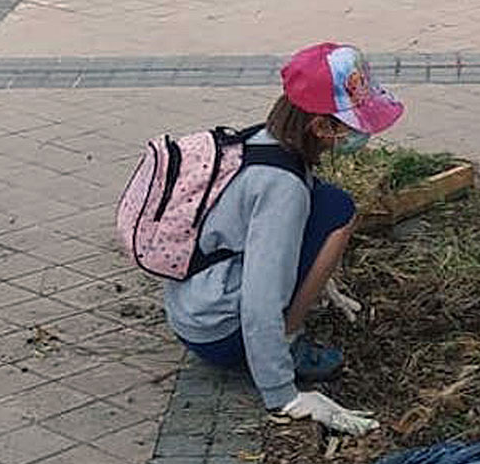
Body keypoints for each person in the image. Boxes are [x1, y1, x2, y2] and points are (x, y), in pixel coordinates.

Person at [163, 43, 405, 433]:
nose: (361, 136)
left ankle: (287, 325)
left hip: (193, 303)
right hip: (218, 332)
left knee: (328, 201)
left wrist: (322, 283)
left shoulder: (264, 140)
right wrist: (285, 395)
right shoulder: (282, 187)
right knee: (338, 212)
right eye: (354, 126)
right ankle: (291, 341)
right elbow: (259, 301)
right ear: (322, 127)